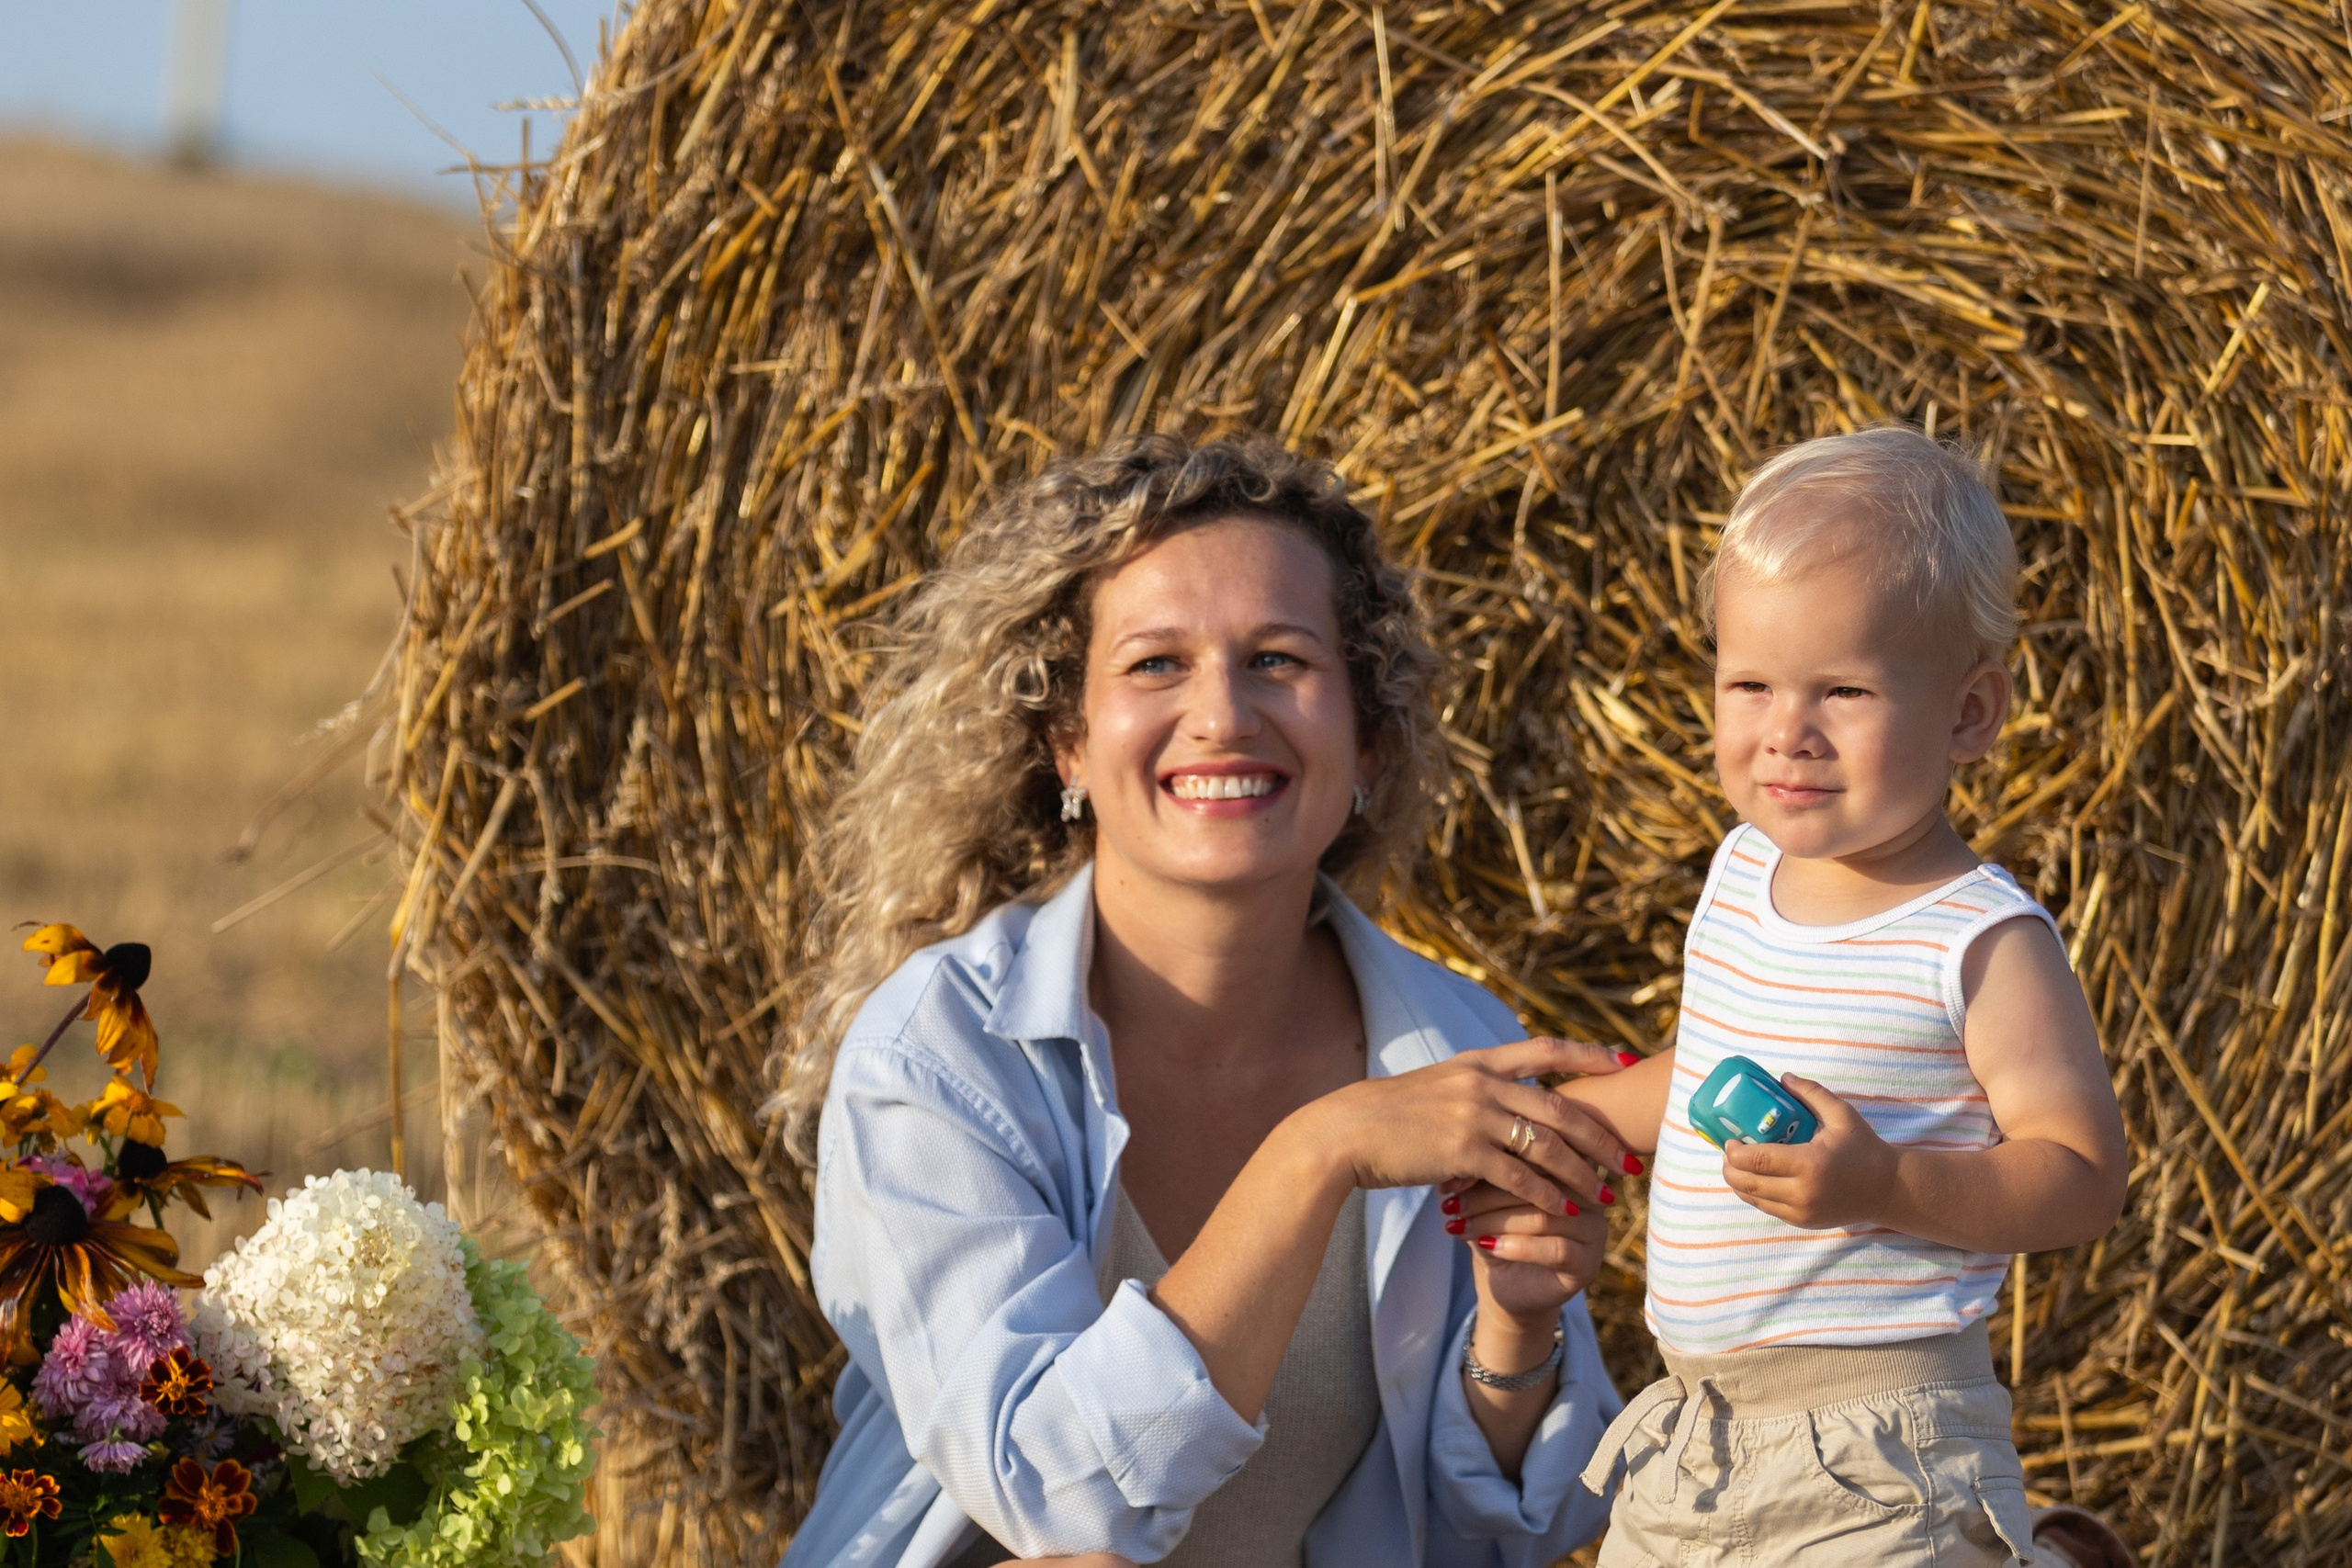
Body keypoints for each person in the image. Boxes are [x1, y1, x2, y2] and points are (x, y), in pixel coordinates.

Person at [770, 434, 1641, 1568]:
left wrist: (1518, 1330)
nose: (1223, 715)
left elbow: (1508, 1533)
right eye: (1154, 665)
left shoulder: (1453, 1042)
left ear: (1367, 737)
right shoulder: (939, 1054)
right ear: (1067, 743)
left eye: (1278, 659)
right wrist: (1313, 1156)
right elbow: (1057, 1497)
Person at [1469, 425, 2129, 1563]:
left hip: (1884, 1448)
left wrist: (1884, 1183)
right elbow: (1713, 1070)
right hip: (1694, 1431)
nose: (1788, 732)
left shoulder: (1976, 938)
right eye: (1751, 683)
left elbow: (2080, 1177)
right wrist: (1566, 1125)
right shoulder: (1739, 872)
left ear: (1969, 715)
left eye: (1845, 690)